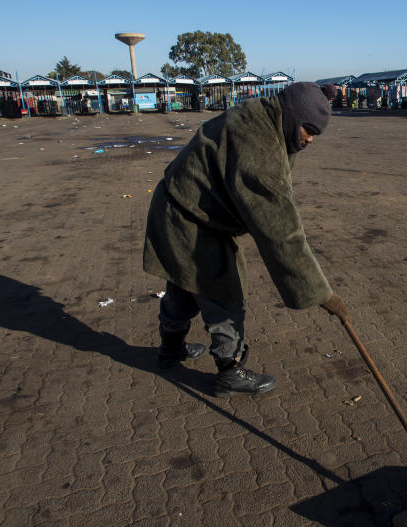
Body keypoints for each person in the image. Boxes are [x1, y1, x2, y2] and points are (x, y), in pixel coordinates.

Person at [142, 82, 348, 395]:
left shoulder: (263, 117)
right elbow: (280, 230)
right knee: (223, 290)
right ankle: (230, 369)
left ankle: (170, 349)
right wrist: (321, 294)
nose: (310, 139)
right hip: (191, 217)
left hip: (180, 207)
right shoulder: (259, 142)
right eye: (309, 130)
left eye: (315, 134)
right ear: (293, 116)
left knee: (184, 283)